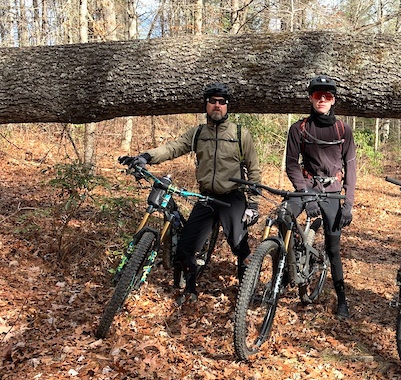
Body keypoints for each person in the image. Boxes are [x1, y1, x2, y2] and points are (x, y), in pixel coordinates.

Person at [121, 82, 262, 305]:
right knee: (186, 247)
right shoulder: (197, 133)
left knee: (239, 244)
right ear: (206, 105)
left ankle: (246, 290)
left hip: (232, 196)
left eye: (222, 102)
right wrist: (146, 156)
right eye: (213, 101)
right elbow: (172, 147)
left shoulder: (239, 134)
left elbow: (254, 169)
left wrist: (253, 205)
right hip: (205, 197)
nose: (217, 106)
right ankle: (190, 290)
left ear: (227, 107)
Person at [285, 75, 356, 319]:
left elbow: (351, 168)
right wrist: (306, 195)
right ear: (311, 98)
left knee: (333, 248)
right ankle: (286, 266)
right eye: (318, 95)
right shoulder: (299, 128)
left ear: (333, 99)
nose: (322, 100)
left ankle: (341, 299)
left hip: (333, 193)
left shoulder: (343, 130)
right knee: (284, 217)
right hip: (306, 186)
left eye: (327, 96)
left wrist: (348, 203)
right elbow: (291, 165)